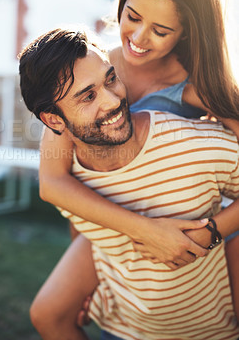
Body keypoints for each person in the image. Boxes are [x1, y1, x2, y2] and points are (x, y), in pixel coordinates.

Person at [19, 27, 239, 340]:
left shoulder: (197, 138)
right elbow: (65, 203)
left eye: (111, 79)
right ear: (54, 121)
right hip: (120, 326)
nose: (113, 100)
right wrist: (91, 282)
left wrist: (212, 232)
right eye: (88, 96)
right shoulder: (70, 169)